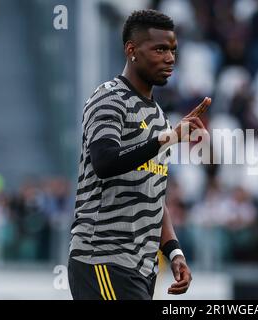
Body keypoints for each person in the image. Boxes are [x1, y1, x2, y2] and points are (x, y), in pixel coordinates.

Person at [68, 9, 211, 300]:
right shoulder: (109, 98)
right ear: (131, 51)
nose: (170, 58)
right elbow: (105, 162)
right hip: (102, 260)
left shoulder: (159, 117)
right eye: (160, 49)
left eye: (172, 50)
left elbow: (153, 196)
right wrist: (167, 138)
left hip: (141, 269)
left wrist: (174, 252)